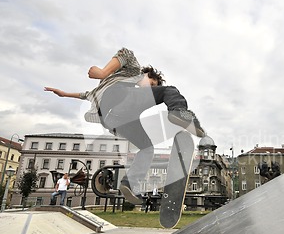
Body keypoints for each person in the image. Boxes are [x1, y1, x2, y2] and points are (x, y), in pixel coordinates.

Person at [44, 47, 205, 205]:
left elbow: (86, 95)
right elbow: (125, 53)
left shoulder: (100, 90)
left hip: (113, 120)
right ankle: (180, 112)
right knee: (169, 91)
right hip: (118, 98)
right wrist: (103, 72)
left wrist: (63, 93)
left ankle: (130, 184)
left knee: (147, 148)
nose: (151, 88)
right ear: (146, 74)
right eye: (152, 83)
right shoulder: (134, 71)